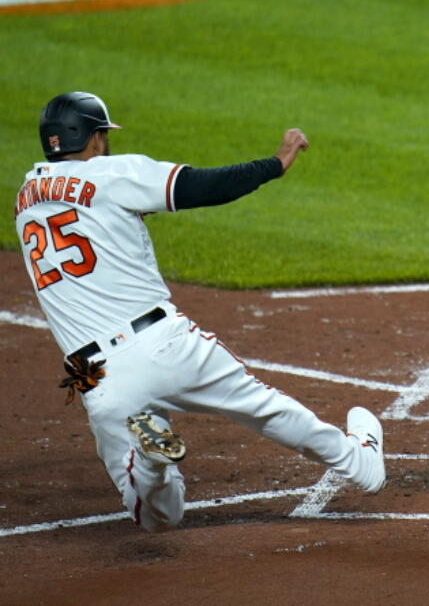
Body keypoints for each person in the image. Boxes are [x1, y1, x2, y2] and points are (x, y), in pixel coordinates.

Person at [14, 92, 386, 532]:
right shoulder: (114, 173)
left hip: (96, 375)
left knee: (156, 518)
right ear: (94, 138)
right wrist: (276, 163)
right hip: (165, 345)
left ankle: (151, 463)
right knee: (263, 407)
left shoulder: (24, 199)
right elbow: (202, 186)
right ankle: (358, 463)